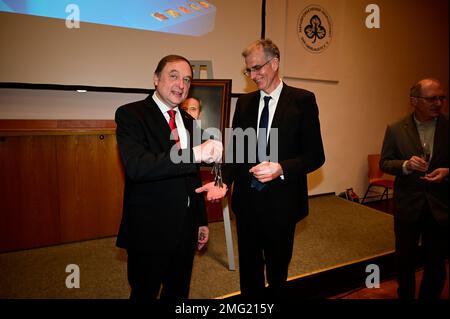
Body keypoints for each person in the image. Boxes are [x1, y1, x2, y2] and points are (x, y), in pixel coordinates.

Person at [197, 39, 325, 298]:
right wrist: (223, 181)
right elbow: (236, 151)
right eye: (248, 71)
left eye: (257, 68)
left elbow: (315, 156)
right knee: (250, 274)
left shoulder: (302, 101)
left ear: (275, 63)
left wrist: (281, 168)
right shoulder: (245, 103)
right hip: (247, 205)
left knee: (277, 273)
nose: (253, 76)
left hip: (283, 205)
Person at [115, 54, 222, 300]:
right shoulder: (131, 114)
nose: (181, 85)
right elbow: (138, 166)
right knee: (144, 292)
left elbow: (192, 177)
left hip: (185, 229)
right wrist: (195, 152)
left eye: (186, 80)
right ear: (155, 79)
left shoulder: (187, 120)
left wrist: (201, 219)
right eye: (173, 76)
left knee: (178, 293)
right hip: (150, 230)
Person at [380, 78, 448, 299]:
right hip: (408, 206)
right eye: (431, 99)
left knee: (436, 263)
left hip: (440, 207)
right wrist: (406, 165)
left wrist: (448, 172)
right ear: (414, 100)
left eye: (441, 98)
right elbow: (385, 162)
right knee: (405, 260)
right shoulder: (396, 129)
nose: (438, 103)